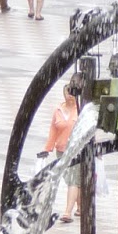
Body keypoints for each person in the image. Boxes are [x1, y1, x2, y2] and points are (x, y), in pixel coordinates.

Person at [42, 85, 81, 218]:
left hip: (76, 151)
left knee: (73, 181)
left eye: (72, 91)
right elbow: (53, 130)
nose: (70, 94)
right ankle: (81, 206)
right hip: (61, 150)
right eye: (67, 91)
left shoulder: (80, 109)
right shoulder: (58, 110)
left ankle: (67, 212)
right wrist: (48, 148)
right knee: (72, 180)